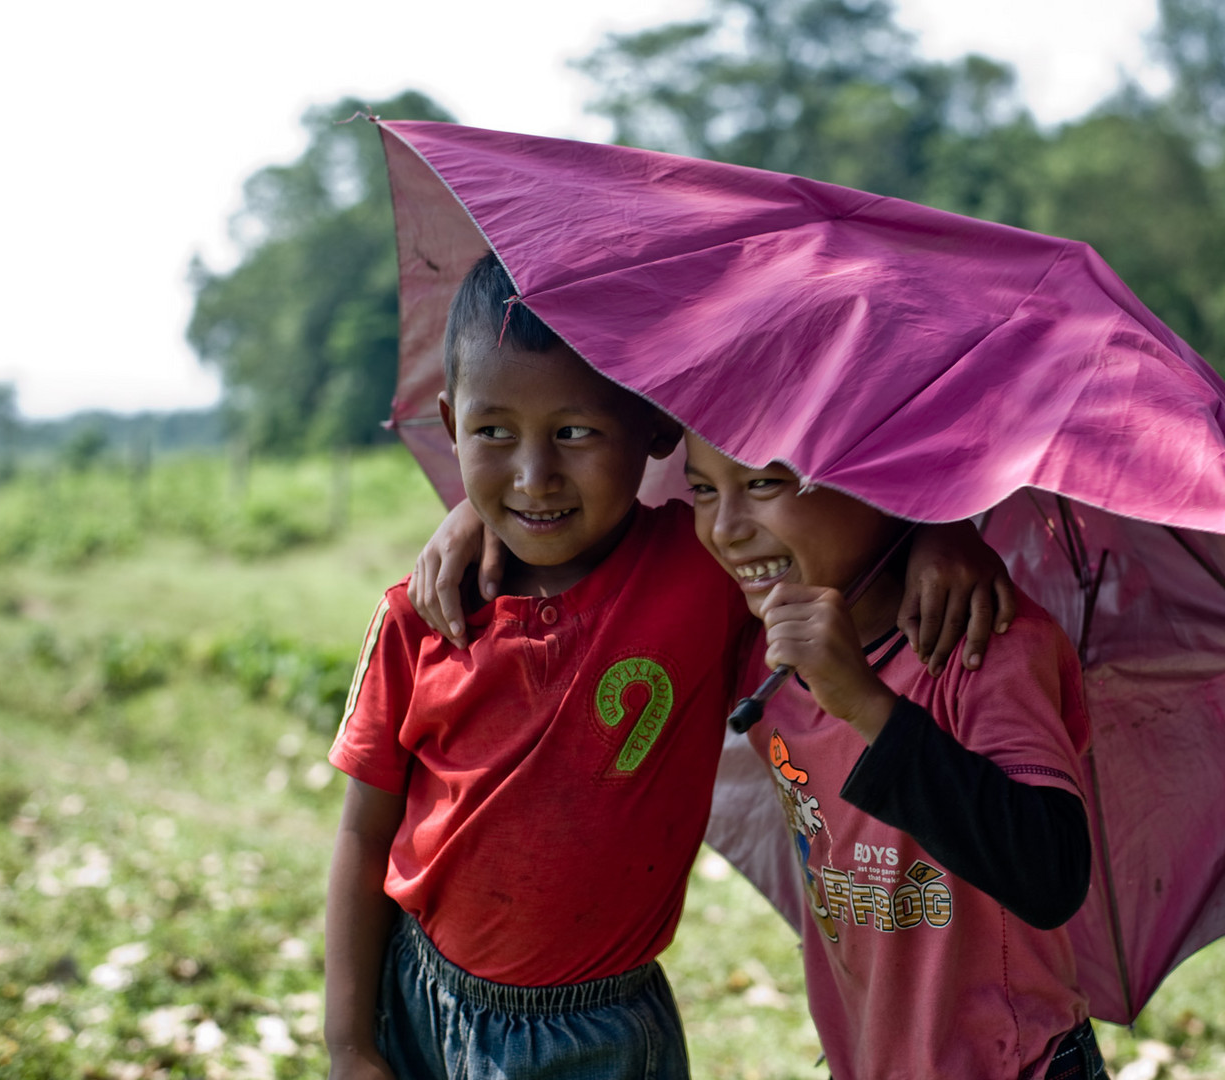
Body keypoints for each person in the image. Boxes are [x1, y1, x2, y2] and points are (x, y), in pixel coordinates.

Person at [326, 251, 1011, 1080]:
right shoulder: (420, 612)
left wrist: (942, 529)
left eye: (574, 432)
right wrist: (348, 1043)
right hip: (418, 992)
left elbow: (835, 539)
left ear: (655, 428)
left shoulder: (702, 568)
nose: (534, 477)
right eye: (493, 433)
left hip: (598, 1034)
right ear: (450, 419)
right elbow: (365, 830)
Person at [684, 431, 1104, 1080]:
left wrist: (865, 704)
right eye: (703, 490)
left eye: (765, 483)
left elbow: (1049, 878)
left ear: (878, 482)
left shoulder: (984, 645)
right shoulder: (757, 647)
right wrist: (472, 531)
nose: (726, 529)